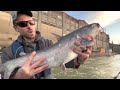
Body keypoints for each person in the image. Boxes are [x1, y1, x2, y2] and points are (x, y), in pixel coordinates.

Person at [1, 11, 92, 79]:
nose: (29, 26)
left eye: (31, 22)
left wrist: (79, 60)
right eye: (23, 24)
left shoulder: (48, 43)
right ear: (16, 28)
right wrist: (17, 78)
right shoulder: (7, 52)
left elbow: (62, 60)